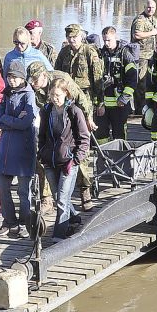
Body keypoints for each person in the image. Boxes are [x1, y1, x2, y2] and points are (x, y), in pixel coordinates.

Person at [55, 23, 103, 211]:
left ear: (81, 36)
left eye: (75, 36)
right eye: (69, 37)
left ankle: (85, 191)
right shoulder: (64, 53)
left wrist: (99, 103)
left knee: (83, 142)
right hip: (65, 101)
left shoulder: (89, 52)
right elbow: (57, 74)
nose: (72, 40)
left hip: (85, 101)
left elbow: (98, 78)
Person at [38, 78, 89, 239]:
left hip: (68, 162)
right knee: (58, 197)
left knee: (61, 201)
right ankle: (74, 218)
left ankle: (58, 235)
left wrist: (75, 160)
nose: (55, 98)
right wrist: (41, 154)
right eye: (52, 95)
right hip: (50, 162)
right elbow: (42, 135)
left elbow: (84, 139)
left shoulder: (74, 111)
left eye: (58, 95)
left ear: (66, 94)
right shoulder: (46, 111)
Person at [0, 61, 39, 238]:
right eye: (9, 76)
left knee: (23, 191)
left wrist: (7, 120)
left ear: (22, 77)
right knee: (2, 186)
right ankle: (9, 221)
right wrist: (11, 120)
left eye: (14, 77)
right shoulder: (6, 94)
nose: (11, 80)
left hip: (23, 149)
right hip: (5, 149)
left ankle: (24, 223)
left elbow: (26, 122)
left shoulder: (29, 96)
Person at [96, 26, 138, 143]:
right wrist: (99, 102)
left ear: (116, 37)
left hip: (120, 103)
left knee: (119, 133)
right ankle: (102, 156)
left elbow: (133, 79)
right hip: (103, 103)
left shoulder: (125, 55)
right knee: (101, 134)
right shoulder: (100, 55)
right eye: (104, 40)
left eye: (109, 40)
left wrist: (124, 98)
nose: (106, 43)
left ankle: (119, 157)